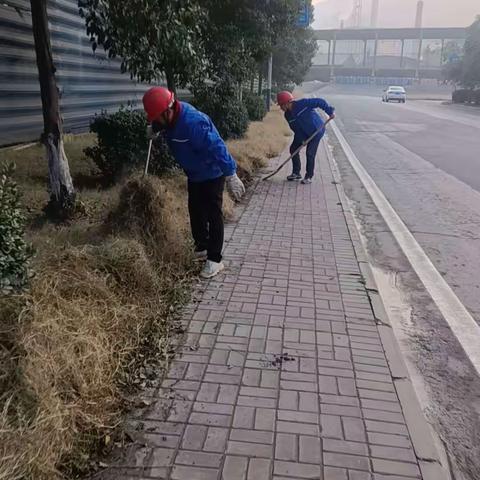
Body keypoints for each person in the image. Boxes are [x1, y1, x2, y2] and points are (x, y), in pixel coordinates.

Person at [142, 87, 245, 279]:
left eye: (157, 118)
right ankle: (202, 248)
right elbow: (163, 126)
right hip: (194, 174)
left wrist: (231, 174)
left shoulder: (193, 123)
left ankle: (215, 260)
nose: (156, 121)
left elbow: (217, 147)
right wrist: (154, 129)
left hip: (212, 173)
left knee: (213, 214)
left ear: (167, 111)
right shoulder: (169, 117)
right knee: (196, 211)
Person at [277, 91, 335, 185]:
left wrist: (329, 111)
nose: (281, 107)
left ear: (287, 103)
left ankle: (308, 176)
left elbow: (320, 101)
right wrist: (302, 140)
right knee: (293, 149)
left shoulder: (302, 104)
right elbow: (295, 128)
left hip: (316, 130)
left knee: (310, 153)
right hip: (302, 133)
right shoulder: (287, 115)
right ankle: (296, 173)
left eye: (281, 105)